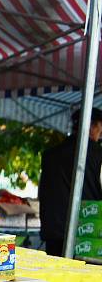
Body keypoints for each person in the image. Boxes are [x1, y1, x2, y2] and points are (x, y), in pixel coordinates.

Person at [39, 108, 102, 255]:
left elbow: (43, 192)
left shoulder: (50, 155)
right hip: (87, 235)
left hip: (53, 233)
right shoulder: (98, 156)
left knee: (55, 277)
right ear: (91, 126)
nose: (100, 135)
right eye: (100, 129)